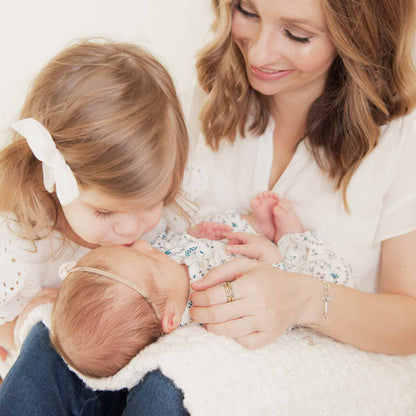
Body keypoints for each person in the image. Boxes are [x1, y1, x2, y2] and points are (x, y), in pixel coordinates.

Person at [1, 0, 415, 414]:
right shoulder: (200, 104)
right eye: (247, 12)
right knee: (49, 341)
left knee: (171, 386)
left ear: (359, 35)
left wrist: (305, 298)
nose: (258, 53)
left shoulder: (401, 142)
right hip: (184, 344)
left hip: (322, 362)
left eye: (297, 34)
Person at [0, 39, 189, 411]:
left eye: (152, 203)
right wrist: (24, 322)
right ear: (50, 178)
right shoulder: (21, 248)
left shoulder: (165, 223)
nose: (132, 230)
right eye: (105, 213)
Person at [50, 195, 354, 379]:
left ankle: (255, 223)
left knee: (218, 224)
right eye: (148, 260)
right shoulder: (212, 309)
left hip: (223, 243)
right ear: (170, 319)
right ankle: (290, 237)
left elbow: (170, 246)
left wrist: (198, 234)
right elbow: (272, 304)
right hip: (278, 279)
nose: (144, 244)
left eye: (132, 250)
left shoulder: (162, 272)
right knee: (314, 272)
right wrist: (273, 259)